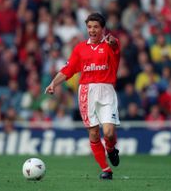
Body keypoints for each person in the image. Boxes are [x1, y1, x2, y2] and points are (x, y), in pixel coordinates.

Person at [45, 12, 120, 180]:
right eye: (89, 27)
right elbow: (68, 70)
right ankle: (106, 169)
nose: (92, 30)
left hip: (107, 90)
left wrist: (113, 43)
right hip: (87, 92)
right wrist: (53, 83)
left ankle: (110, 148)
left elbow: (115, 47)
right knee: (94, 133)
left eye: (96, 27)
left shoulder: (110, 43)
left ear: (102, 29)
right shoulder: (80, 48)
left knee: (108, 132)